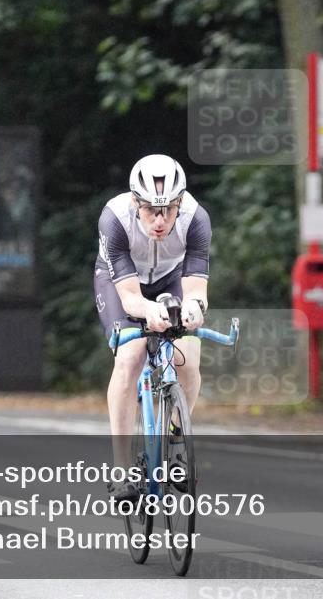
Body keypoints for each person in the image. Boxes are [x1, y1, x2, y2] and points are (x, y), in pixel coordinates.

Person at [94, 154, 211, 500]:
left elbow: (196, 291)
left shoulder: (196, 219)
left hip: (171, 277)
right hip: (121, 283)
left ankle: (176, 438)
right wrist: (150, 312)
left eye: (169, 209)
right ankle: (120, 469)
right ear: (135, 202)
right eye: (149, 210)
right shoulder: (114, 218)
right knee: (130, 356)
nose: (160, 221)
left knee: (186, 356)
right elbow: (130, 299)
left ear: (180, 203)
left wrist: (193, 310)